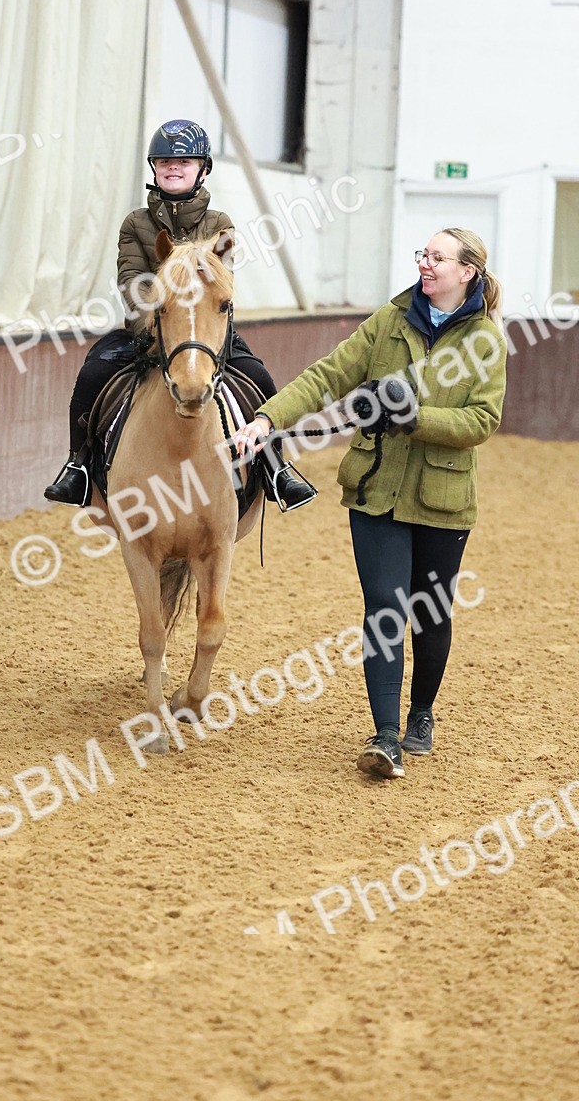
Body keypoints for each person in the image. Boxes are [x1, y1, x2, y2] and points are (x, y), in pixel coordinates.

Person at [235, 228, 507, 780]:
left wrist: (414, 418)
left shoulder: (485, 341)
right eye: (423, 254)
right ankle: (385, 737)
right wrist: (267, 418)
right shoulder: (389, 320)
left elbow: (482, 420)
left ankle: (421, 712)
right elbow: (328, 374)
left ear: (467, 272)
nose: (425, 264)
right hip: (375, 489)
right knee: (385, 609)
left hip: (443, 499)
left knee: (430, 615)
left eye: (437, 258)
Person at [44, 118, 317, 511]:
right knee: (92, 375)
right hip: (148, 329)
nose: (173, 166)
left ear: (203, 169)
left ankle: (276, 467)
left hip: (206, 333)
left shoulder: (219, 224)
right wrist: (155, 329)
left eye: (185, 161)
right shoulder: (136, 223)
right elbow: (133, 283)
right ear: (154, 168)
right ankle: (79, 465)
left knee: (260, 379)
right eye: (164, 161)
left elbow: (219, 287)